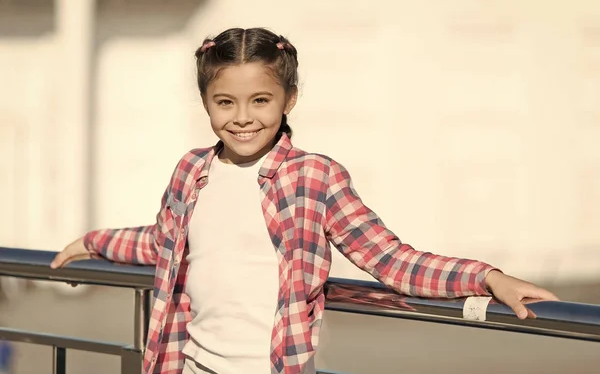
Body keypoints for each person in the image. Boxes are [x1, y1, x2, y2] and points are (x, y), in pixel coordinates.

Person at [51, 27, 559, 374]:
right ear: (205, 101)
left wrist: (487, 277)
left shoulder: (313, 177)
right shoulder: (191, 171)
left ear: (289, 99)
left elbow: (392, 260)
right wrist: (93, 243)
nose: (242, 117)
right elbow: (162, 244)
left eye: (261, 101)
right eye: (224, 102)